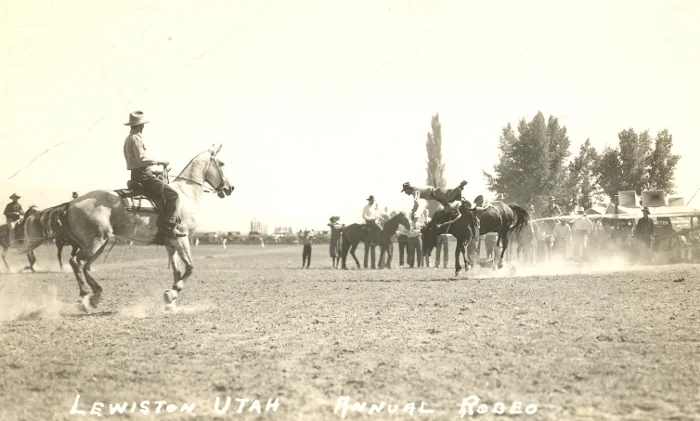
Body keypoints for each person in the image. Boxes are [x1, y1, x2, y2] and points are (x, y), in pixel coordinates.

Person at [122, 111, 186, 244]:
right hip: (144, 175)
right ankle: (169, 228)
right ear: (140, 126)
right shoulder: (136, 138)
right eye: (142, 125)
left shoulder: (128, 139)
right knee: (173, 195)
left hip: (137, 174)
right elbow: (142, 158)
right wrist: (159, 162)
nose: (143, 127)